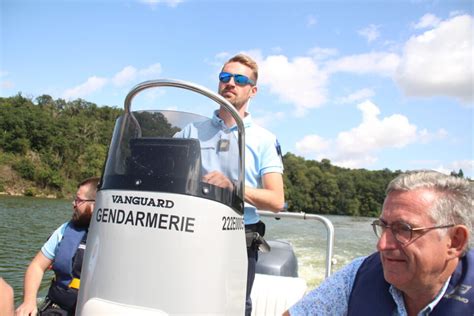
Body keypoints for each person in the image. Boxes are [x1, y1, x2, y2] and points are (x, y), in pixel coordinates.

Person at [175, 53, 285, 315]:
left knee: (233, 306)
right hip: (190, 230)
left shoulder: (264, 139)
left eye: (239, 79)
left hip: (238, 236)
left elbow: (276, 200)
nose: (230, 83)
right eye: (225, 77)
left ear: (253, 90)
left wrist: (233, 187)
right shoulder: (191, 131)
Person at [285, 170, 473, 315]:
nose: (382, 245)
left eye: (404, 229)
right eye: (383, 226)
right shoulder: (356, 276)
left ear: (455, 241)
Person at [15, 177, 100, 316]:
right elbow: (36, 266)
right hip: (59, 307)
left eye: (79, 200)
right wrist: (29, 302)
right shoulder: (65, 230)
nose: (73, 204)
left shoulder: (118, 238)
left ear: (96, 205)